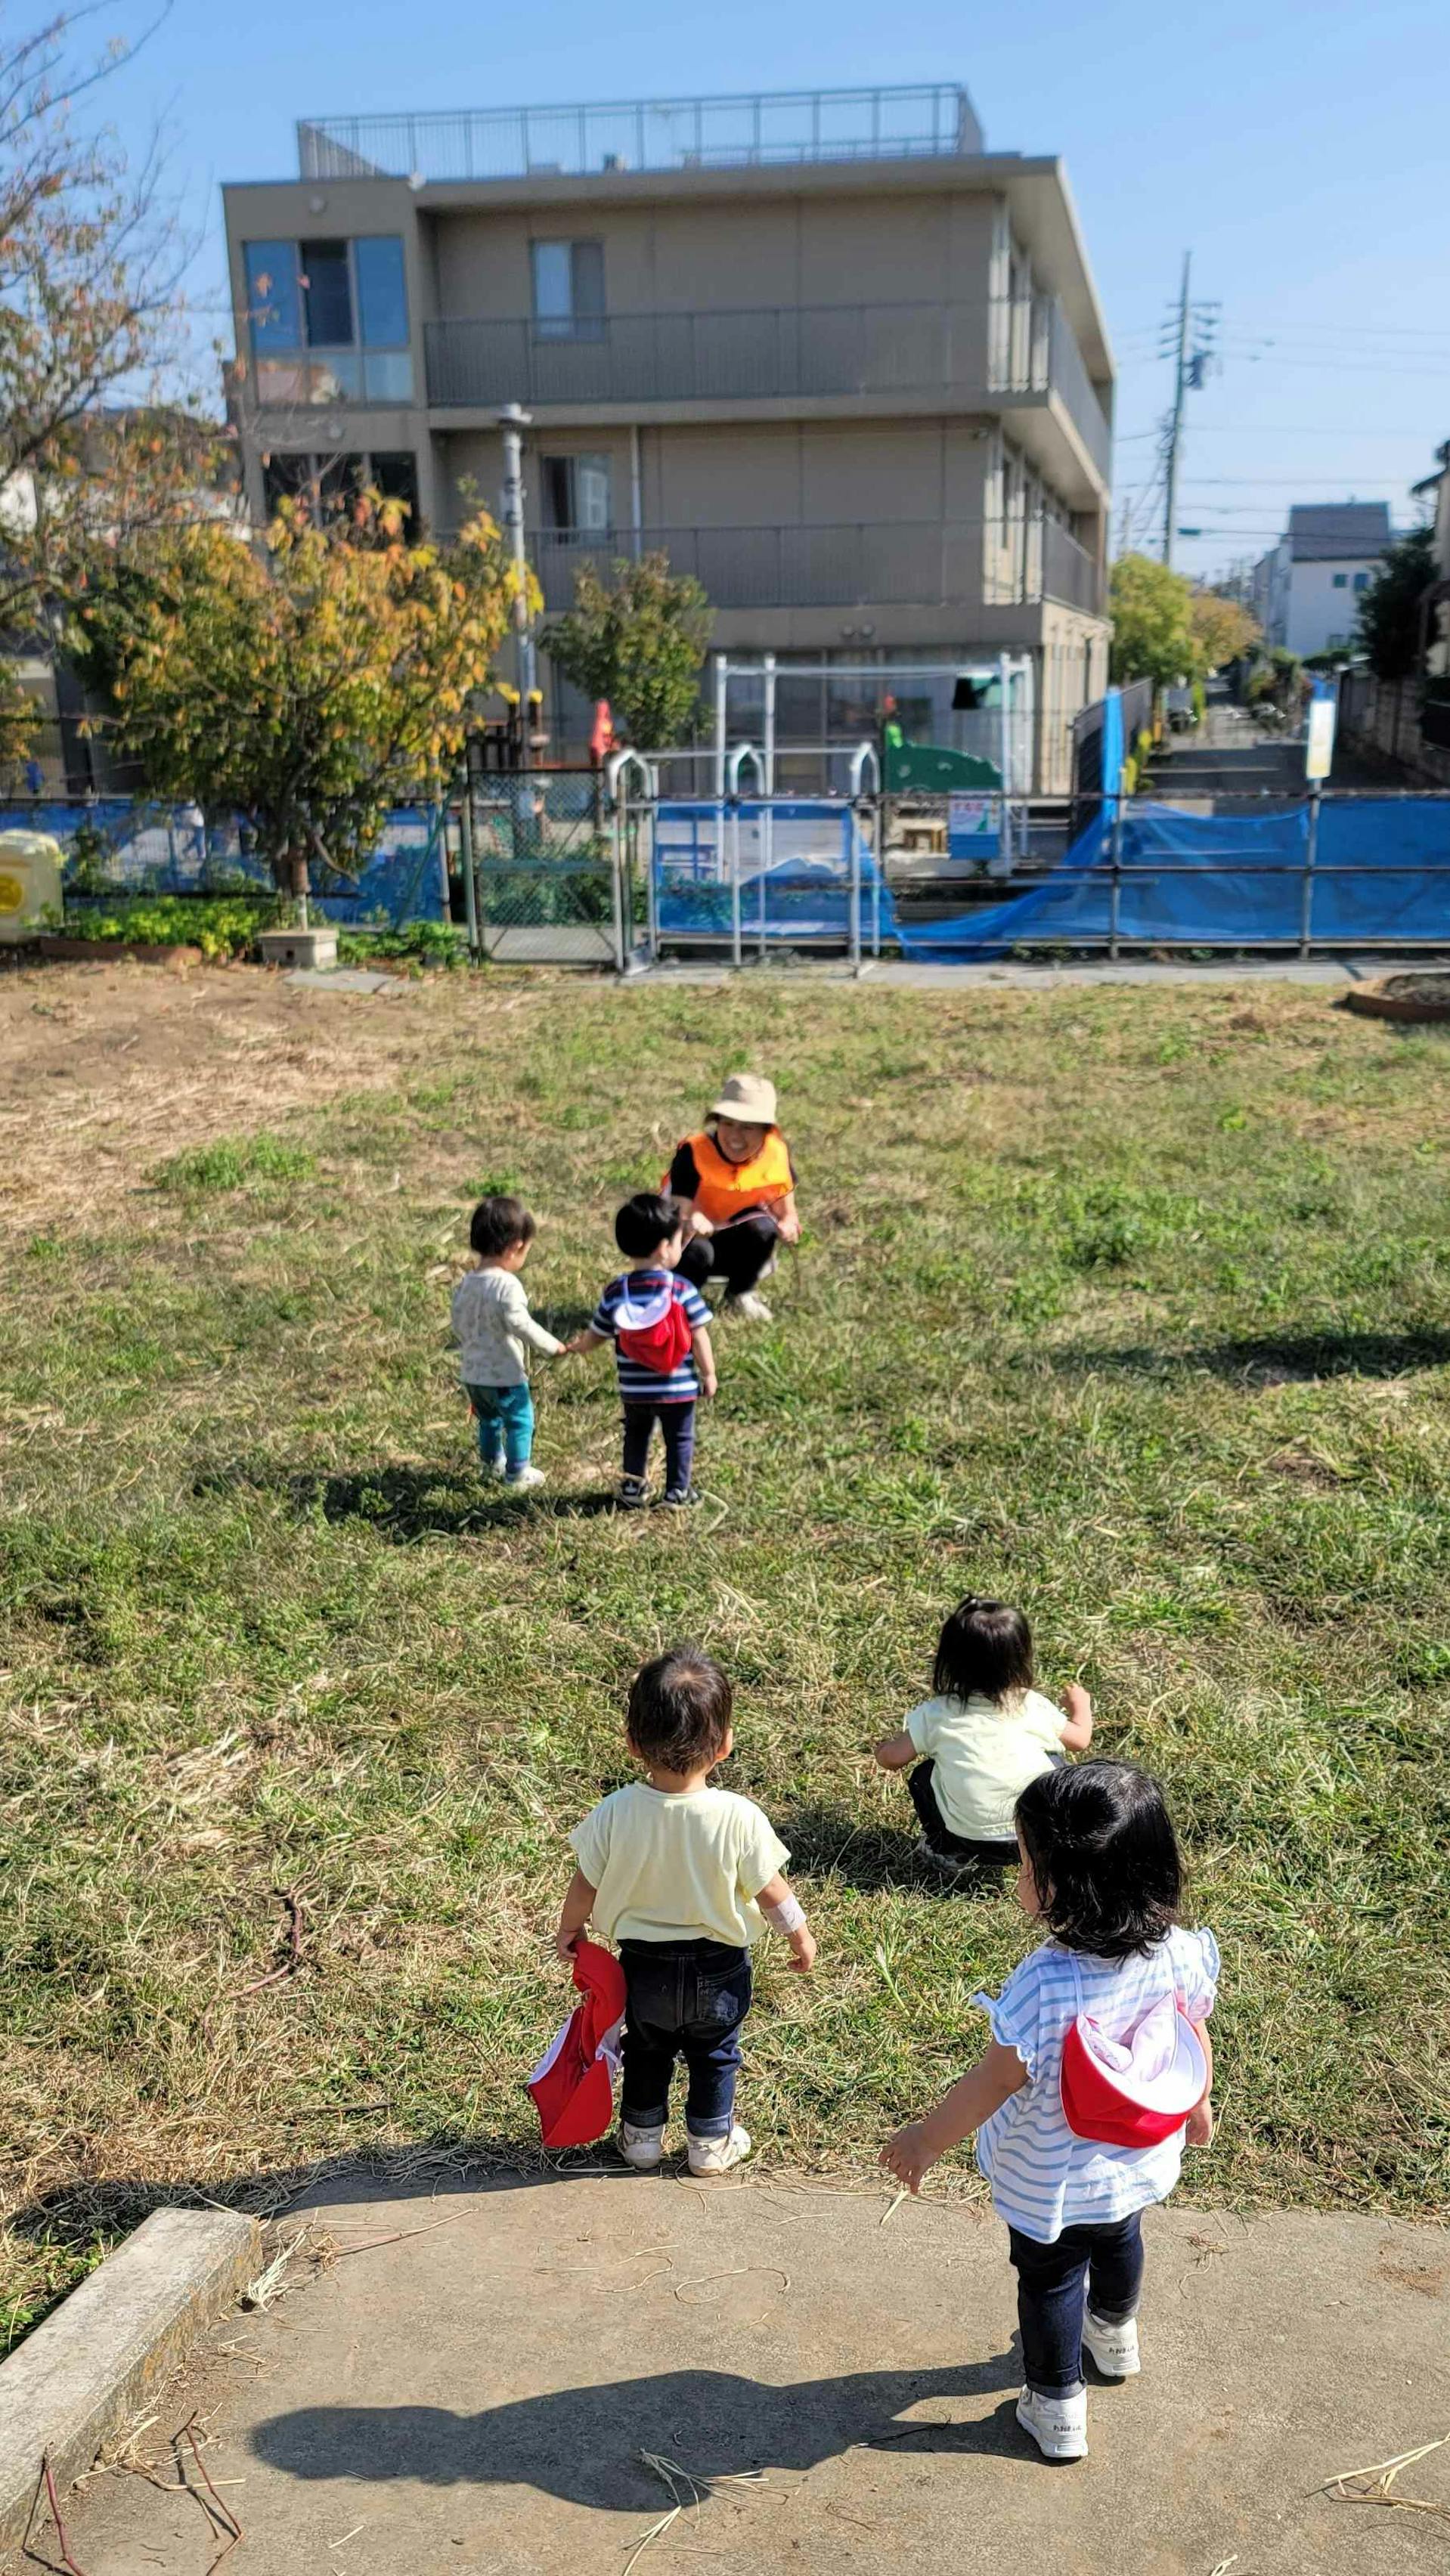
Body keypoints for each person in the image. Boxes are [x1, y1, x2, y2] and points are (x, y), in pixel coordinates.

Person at [880, 1762, 1218, 2463]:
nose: (1019, 1877)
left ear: (1065, 1889)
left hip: (1053, 2177)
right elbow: (1190, 2034)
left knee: (1052, 2278)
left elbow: (995, 2081)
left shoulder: (1046, 1982)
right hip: (1133, 2157)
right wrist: (1199, 2102)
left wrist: (926, 2139)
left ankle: (1057, 2403)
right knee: (1121, 2238)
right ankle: (1115, 2335)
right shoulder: (1180, 1953)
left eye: (1027, 1865)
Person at [555, 1645, 816, 2175]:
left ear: (632, 1742)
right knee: (715, 2052)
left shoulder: (615, 1812)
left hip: (642, 1967)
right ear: (725, 1745)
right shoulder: (738, 1816)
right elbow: (771, 1890)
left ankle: (641, 2138)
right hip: (719, 1968)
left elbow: (585, 1883)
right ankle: (709, 2143)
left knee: (646, 2048)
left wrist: (570, 1929)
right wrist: (799, 1935)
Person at [873, 1597, 1093, 1879]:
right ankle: (1054, 1858)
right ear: (1022, 1657)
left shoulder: (938, 1713)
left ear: (948, 1660)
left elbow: (891, 1759)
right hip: (1035, 1838)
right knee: (1054, 1763)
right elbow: (1080, 1739)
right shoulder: (1030, 1705)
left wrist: (883, 1749)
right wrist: (1080, 1705)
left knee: (923, 1775)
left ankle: (947, 1852)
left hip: (967, 1838)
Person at [564, 1193, 717, 1507]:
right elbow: (699, 1335)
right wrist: (709, 1373)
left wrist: (579, 1346)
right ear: (664, 1248)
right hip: (677, 1388)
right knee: (679, 1438)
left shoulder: (617, 1291)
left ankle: (633, 1488)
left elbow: (598, 1334)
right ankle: (677, 1492)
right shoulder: (681, 1289)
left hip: (634, 1388)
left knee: (635, 1434)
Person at [666, 1073, 800, 1325]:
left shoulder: (776, 1152)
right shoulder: (693, 1153)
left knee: (764, 1228)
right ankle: (680, 1302)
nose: (735, 1136)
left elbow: (786, 1208)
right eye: (728, 1124)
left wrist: (788, 1224)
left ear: (766, 1131)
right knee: (699, 1252)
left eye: (748, 1127)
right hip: (687, 1242)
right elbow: (677, 1213)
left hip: (735, 1241)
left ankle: (740, 1292)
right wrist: (693, 1219)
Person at [451, 1194, 562, 1493]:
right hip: (504, 1374)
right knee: (520, 1420)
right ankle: (517, 1472)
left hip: (473, 1374)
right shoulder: (507, 1284)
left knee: (488, 1421)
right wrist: (552, 1346)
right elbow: (520, 1323)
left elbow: (458, 1319)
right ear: (515, 1247)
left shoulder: (468, 1281)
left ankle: (491, 1464)